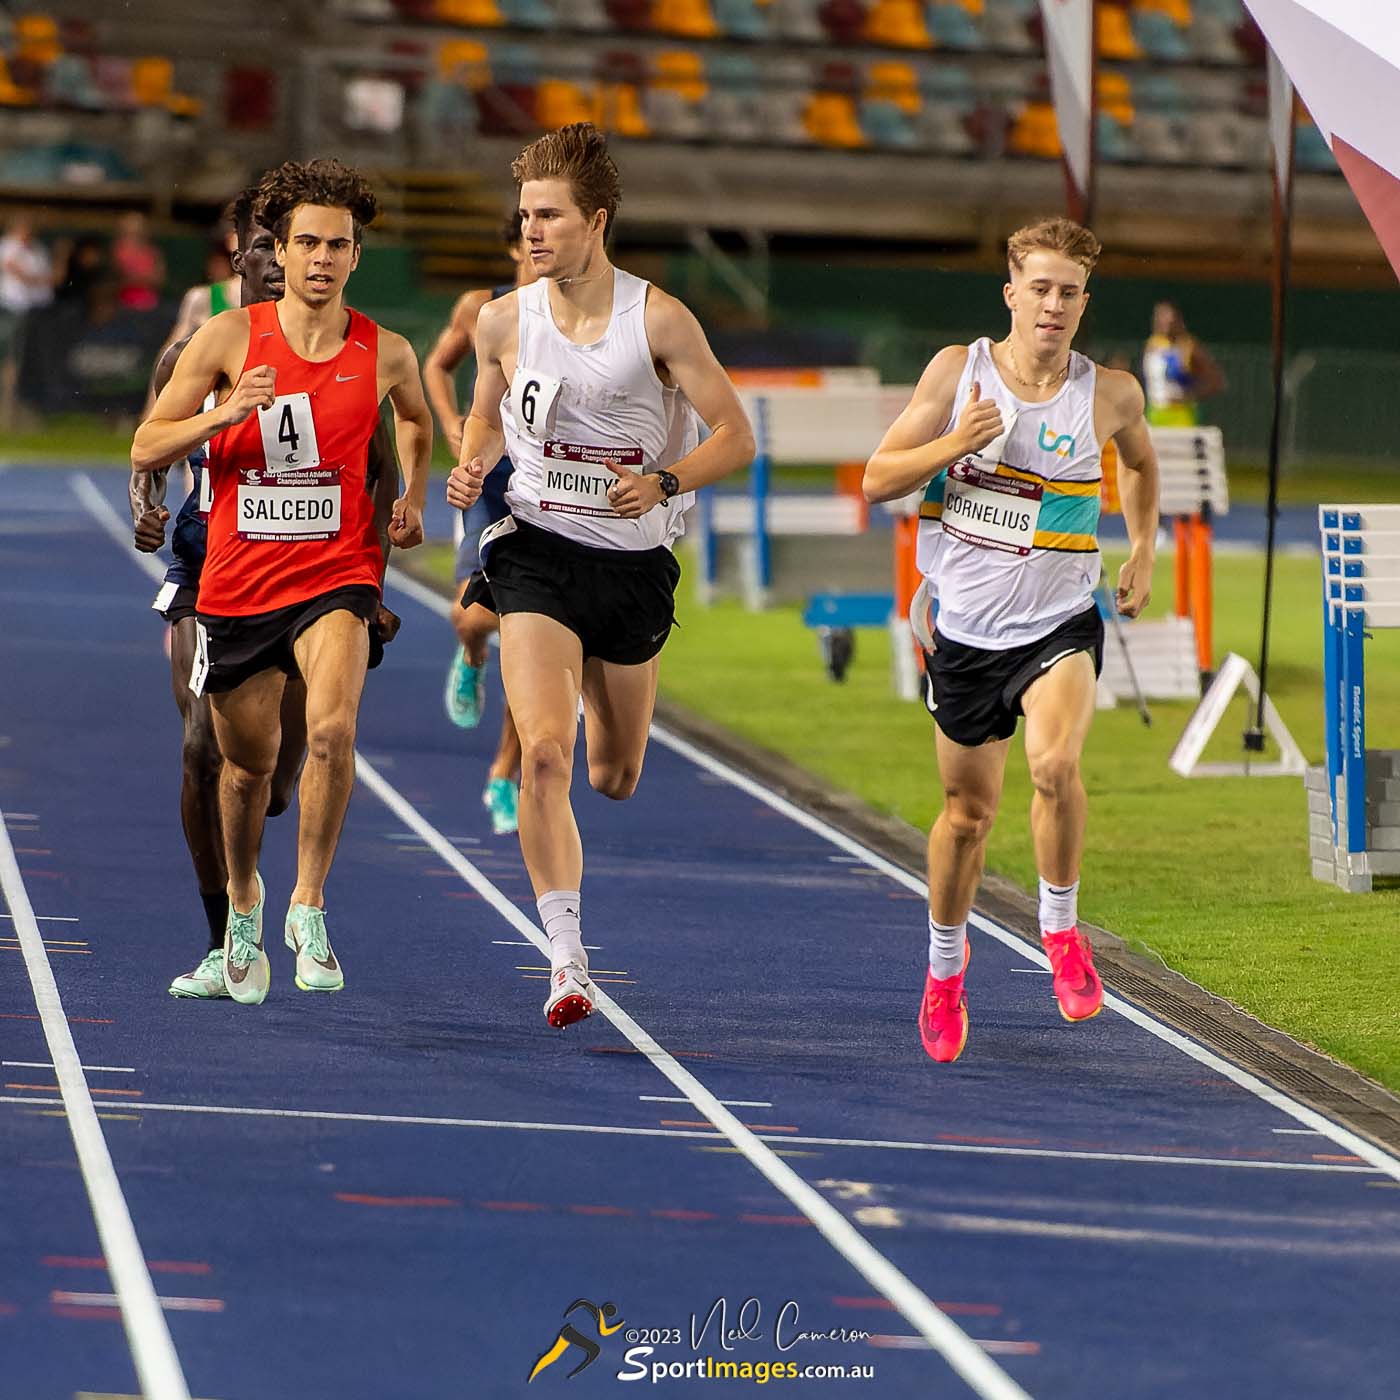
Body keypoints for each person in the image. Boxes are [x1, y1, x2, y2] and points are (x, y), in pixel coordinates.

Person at [446, 123, 754, 1029]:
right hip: (533, 546)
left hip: (632, 565)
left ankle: (584, 679)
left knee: (614, 775)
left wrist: (662, 478)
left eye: (550, 216)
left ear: (597, 220)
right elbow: (488, 417)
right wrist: (470, 469)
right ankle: (567, 958)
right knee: (544, 753)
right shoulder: (502, 319)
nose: (532, 231)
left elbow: (737, 436)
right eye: (525, 215)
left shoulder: (656, 319)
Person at [132, 157, 431, 1005]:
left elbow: (415, 421)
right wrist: (227, 411)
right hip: (238, 581)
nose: (322, 258)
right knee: (244, 772)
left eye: (339, 244)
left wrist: (409, 496)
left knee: (333, 732)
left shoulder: (388, 350)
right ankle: (244, 902)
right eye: (307, 242)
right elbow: (147, 447)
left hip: (333, 575)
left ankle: (309, 904)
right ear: (280, 249)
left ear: (355, 254)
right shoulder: (226, 341)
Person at [863, 217, 1159, 1065]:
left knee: (1056, 766)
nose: (1054, 305)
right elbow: (879, 478)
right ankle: (946, 974)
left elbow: (1138, 463)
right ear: (1011, 294)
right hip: (964, 632)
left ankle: (1062, 934)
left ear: (1083, 303)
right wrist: (957, 442)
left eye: (1070, 292)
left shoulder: (1110, 393)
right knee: (966, 816)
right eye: (1041, 289)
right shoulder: (959, 373)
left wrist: (1141, 547)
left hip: (1060, 621)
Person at [423, 209, 539, 835]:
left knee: (531, 639)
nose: (539, 247)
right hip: (489, 480)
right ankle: (470, 656)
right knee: (472, 616)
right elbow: (437, 365)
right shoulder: (483, 308)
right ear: (513, 248)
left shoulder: (577, 313)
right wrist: (450, 423)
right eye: (528, 238)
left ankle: (504, 773)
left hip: (549, 491)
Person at [0, 213, 54, 427]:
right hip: (11, 310)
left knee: (26, 362)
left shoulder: (37, 250)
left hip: (35, 312)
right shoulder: (6, 246)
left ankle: (18, 410)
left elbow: (49, 278)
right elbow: (18, 273)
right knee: (10, 358)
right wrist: (35, 279)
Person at [1141, 300, 1225, 427]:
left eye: (1168, 317)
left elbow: (1216, 381)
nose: (1163, 321)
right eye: (1159, 316)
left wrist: (1191, 395)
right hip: (1155, 412)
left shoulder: (1188, 346)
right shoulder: (1152, 344)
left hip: (1181, 414)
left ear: (1178, 320)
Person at [112, 211, 165, 313]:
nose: (134, 233)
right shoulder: (117, 251)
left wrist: (140, 278)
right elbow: (119, 278)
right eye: (130, 230)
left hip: (151, 303)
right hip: (123, 304)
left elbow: (159, 278)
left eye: (138, 229)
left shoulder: (152, 252)